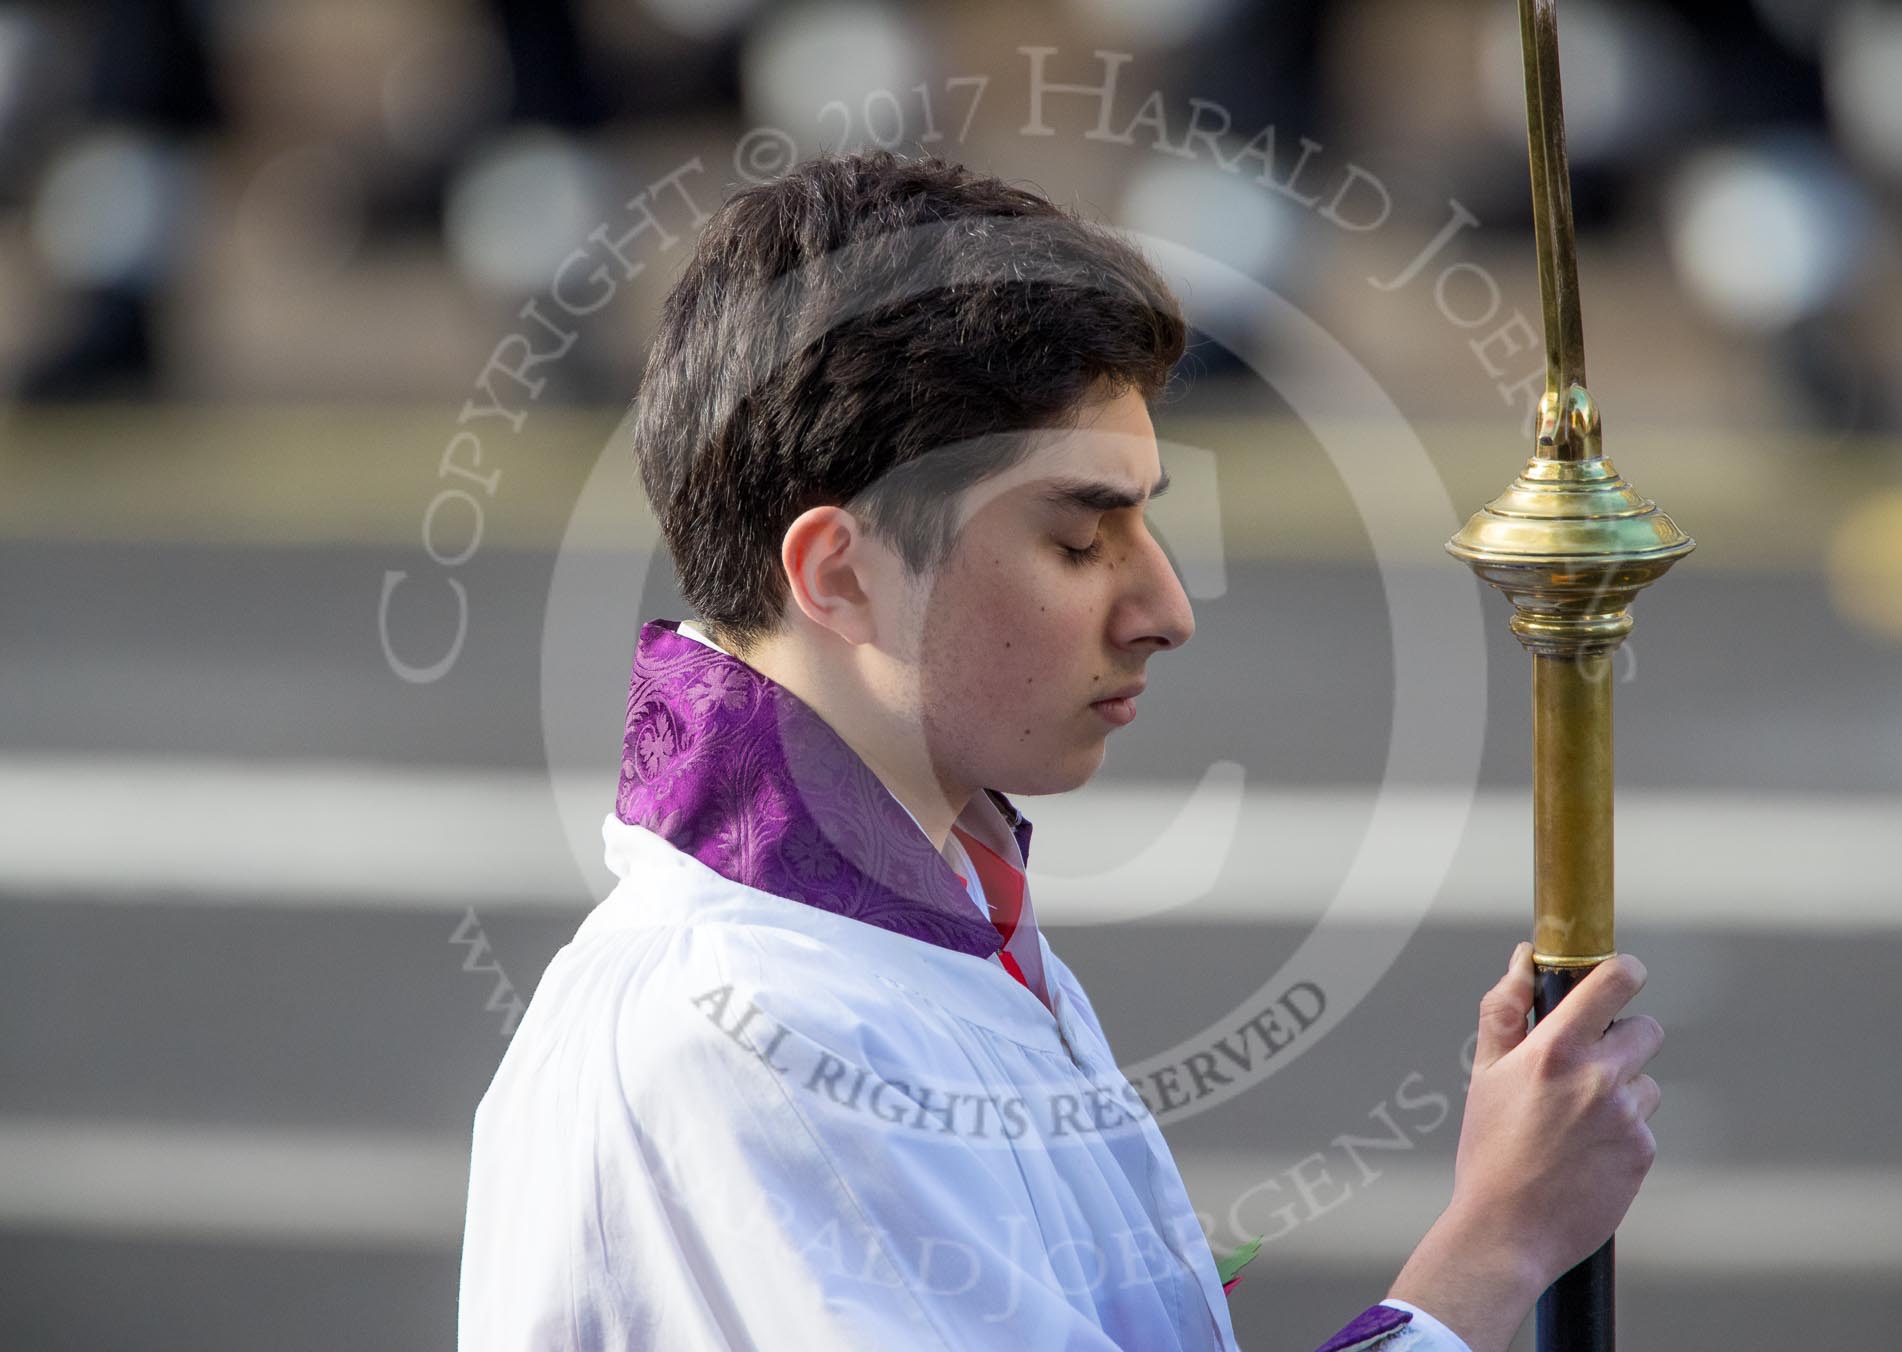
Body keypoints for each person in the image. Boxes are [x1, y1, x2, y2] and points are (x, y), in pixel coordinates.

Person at [457, 149, 1663, 1351]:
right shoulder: (760, 1040)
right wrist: (1494, 1246)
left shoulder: (918, 925)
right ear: (843, 572)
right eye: (1083, 540)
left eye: (1149, 523)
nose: (1166, 609)